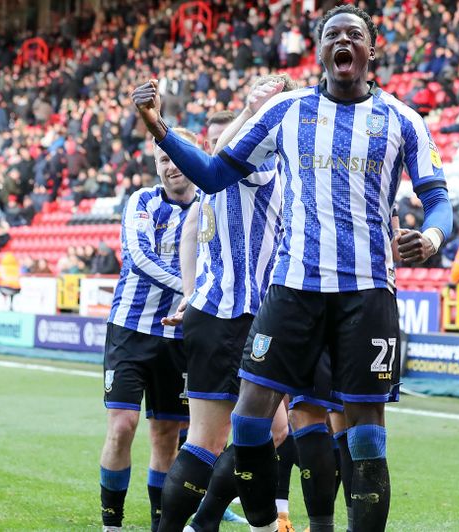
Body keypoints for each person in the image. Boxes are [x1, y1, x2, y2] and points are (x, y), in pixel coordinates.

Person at [133, 5, 453, 532]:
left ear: (371, 51)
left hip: (368, 292)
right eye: (332, 34)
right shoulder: (285, 111)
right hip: (294, 289)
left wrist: (433, 235)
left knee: (365, 429)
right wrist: (160, 130)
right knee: (249, 418)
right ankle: (263, 521)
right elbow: (214, 175)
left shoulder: (402, 119)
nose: (343, 41)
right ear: (321, 50)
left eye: (355, 34)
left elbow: (437, 197)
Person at [147, 77, 294, 532]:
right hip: (239, 315)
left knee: (264, 432)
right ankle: (194, 524)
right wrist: (252, 112)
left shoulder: (231, 168)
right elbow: (214, 163)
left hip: (215, 312)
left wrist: (190, 292)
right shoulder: (259, 165)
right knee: (219, 438)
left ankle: (202, 523)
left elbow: (196, 214)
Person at [98, 127, 199, 532]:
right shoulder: (141, 201)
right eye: (163, 161)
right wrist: (190, 289)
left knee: (166, 437)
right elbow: (139, 257)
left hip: (178, 338)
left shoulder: (210, 206)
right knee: (122, 426)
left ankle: (162, 525)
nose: (171, 166)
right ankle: (113, 525)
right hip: (130, 329)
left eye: (177, 158)